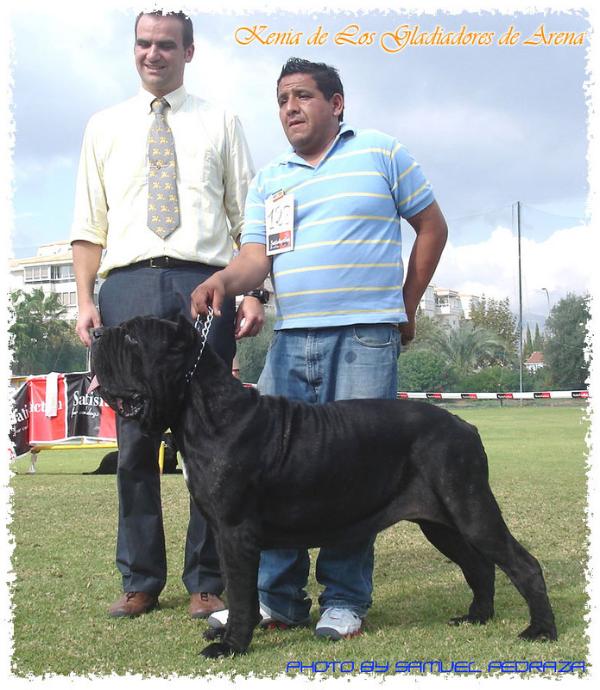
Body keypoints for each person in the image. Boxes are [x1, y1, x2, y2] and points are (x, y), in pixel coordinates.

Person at [190, 57, 448, 640]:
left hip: (364, 337)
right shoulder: (270, 178)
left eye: (302, 96)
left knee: (353, 471)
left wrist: (406, 306)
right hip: (291, 338)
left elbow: (432, 226)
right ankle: (274, 602)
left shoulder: (382, 152)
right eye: (282, 99)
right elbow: (256, 258)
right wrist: (223, 282)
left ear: (337, 103)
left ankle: (345, 600)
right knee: (274, 474)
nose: (290, 108)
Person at [70, 10, 263, 620]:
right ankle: (141, 578)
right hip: (125, 289)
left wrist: (257, 292)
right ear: (134, 49)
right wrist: (84, 299)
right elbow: (87, 226)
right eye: (144, 44)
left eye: (166, 45)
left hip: (203, 284)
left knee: (210, 438)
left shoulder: (222, 121)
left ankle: (208, 578)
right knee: (133, 444)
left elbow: (247, 221)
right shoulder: (102, 126)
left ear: (189, 51)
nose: (154, 54)